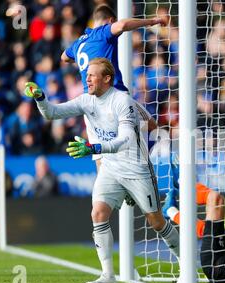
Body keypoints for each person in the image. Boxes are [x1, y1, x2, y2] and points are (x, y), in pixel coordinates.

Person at [24, 58, 180, 283]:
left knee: (155, 221)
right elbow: (52, 114)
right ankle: (108, 274)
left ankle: (184, 263)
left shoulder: (122, 101)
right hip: (109, 167)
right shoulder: (86, 100)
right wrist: (41, 98)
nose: (86, 78)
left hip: (135, 167)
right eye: (86, 75)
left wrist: (94, 148)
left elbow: (126, 139)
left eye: (92, 75)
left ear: (107, 78)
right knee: (98, 213)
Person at [61, 5, 163, 205]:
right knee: (152, 129)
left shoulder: (80, 42)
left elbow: (64, 57)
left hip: (89, 105)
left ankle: (106, 199)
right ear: (109, 20)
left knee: (100, 156)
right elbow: (124, 25)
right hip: (113, 97)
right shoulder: (102, 33)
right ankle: (133, 182)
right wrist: (151, 22)